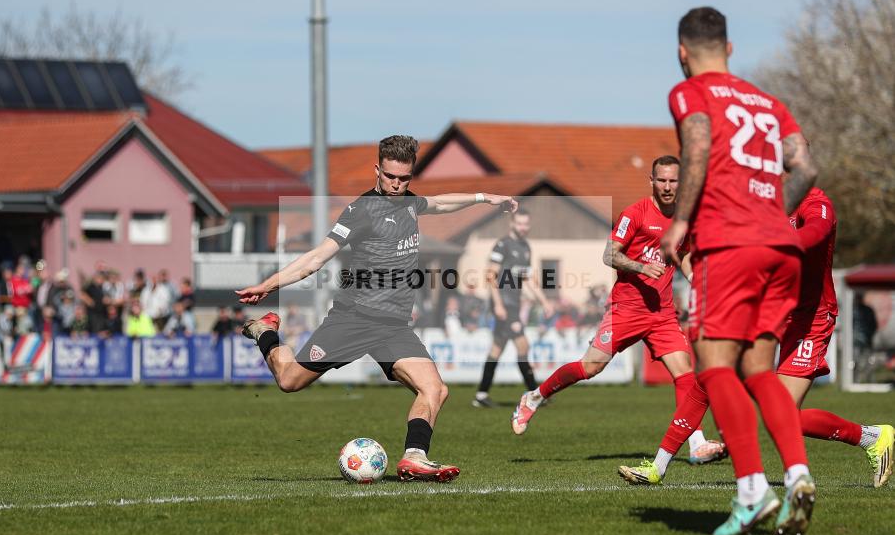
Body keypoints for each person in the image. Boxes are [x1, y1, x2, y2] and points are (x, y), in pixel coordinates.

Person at [235, 135, 518, 483]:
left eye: (404, 178)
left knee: (435, 389)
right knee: (289, 380)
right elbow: (317, 258)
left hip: (393, 327)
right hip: (354, 318)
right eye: (390, 177)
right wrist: (268, 285)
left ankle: (414, 457)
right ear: (377, 170)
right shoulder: (361, 211)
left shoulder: (409, 203)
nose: (397, 185)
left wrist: (485, 198)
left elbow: (440, 203)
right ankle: (266, 331)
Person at [658, 7, 819, 535]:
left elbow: (699, 144)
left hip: (729, 244)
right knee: (758, 369)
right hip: (780, 248)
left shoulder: (691, 92)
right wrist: (772, 214)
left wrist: (681, 221)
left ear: (683, 53)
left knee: (713, 366)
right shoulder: (769, 103)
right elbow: (806, 166)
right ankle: (797, 476)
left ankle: (752, 493)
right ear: (729, 49)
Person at [621, 188, 894, 489]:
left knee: (784, 416)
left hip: (810, 318)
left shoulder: (815, 202)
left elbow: (816, 233)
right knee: (708, 376)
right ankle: (657, 467)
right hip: (767, 307)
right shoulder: (759, 198)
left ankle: (871, 437)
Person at [510, 156, 725, 465]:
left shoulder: (684, 219)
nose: (667, 186)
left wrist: (694, 279)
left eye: (673, 181)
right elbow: (609, 254)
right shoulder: (636, 213)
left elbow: (685, 254)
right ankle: (534, 397)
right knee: (590, 367)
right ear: (651, 181)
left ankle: (697, 444)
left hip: (662, 313)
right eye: (662, 180)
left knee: (685, 373)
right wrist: (640, 267)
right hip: (626, 309)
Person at [473, 209, 554, 408]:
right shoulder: (503, 245)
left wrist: (544, 301)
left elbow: (528, 278)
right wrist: (498, 304)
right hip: (504, 306)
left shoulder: (525, 247)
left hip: (514, 306)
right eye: (519, 223)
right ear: (512, 223)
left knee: (496, 349)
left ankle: (481, 395)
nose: (523, 227)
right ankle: (535, 395)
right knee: (523, 345)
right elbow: (490, 275)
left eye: (526, 224)